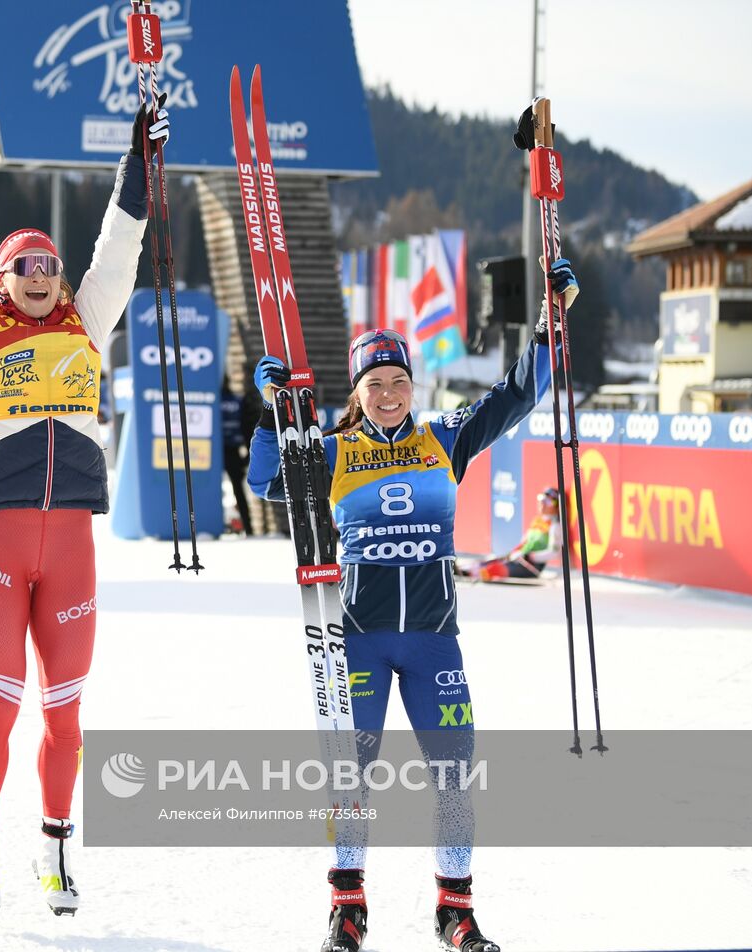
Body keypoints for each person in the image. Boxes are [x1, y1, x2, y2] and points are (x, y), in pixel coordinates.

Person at [248, 258, 578, 952]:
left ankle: (455, 911)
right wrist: (271, 413)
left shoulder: (443, 439)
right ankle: (347, 908)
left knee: (456, 775)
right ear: (359, 392)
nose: (391, 394)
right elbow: (265, 482)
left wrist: (553, 324)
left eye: (399, 382)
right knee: (350, 778)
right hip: (359, 638)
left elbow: (516, 395)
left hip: (433, 641)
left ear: (412, 384)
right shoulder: (333, 450)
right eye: (377, 385)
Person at [0, 94, 168, 915]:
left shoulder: (91, 320)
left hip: (72, 548)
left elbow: (119, 246)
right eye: (28, 266)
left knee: (67, 712)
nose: (45, 276)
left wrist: (139, 160)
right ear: (2, 280)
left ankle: (55, 851)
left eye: (51, 266)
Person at [460, 486, 562, 582]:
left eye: (548, 501)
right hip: (519, 559)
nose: (542, 503)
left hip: (531, 567)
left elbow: (554, 552)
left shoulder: (555, 526)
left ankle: (470, 574)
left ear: (557, 507)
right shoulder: (537, 522)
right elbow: (524, 542)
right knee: (486, 563)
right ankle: (464, 571)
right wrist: (514, 553)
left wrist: (530, 557)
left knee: (495, 569)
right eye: (542, 499)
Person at [219, 382, 254, 535]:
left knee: (211, 488)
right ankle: (248, 527)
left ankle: (213, 525)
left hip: (214, 450)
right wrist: (247, 454)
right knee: (238, 491)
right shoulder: (237, 401)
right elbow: (246, 427)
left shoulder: (213, 399)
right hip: (233, 451)